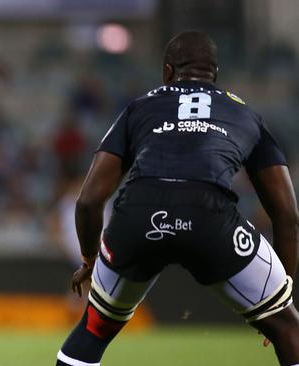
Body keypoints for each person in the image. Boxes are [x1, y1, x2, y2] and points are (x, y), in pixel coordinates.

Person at [56, 30, 299, 366]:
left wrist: (88, 259)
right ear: (215, 75)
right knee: (289, 330)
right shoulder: (246, 116)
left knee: (95, 328)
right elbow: (287, 214)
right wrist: (280, 295)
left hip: (139, 215)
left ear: (167, 72)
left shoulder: (139, 108)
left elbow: (88, 200)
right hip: (209, 216)